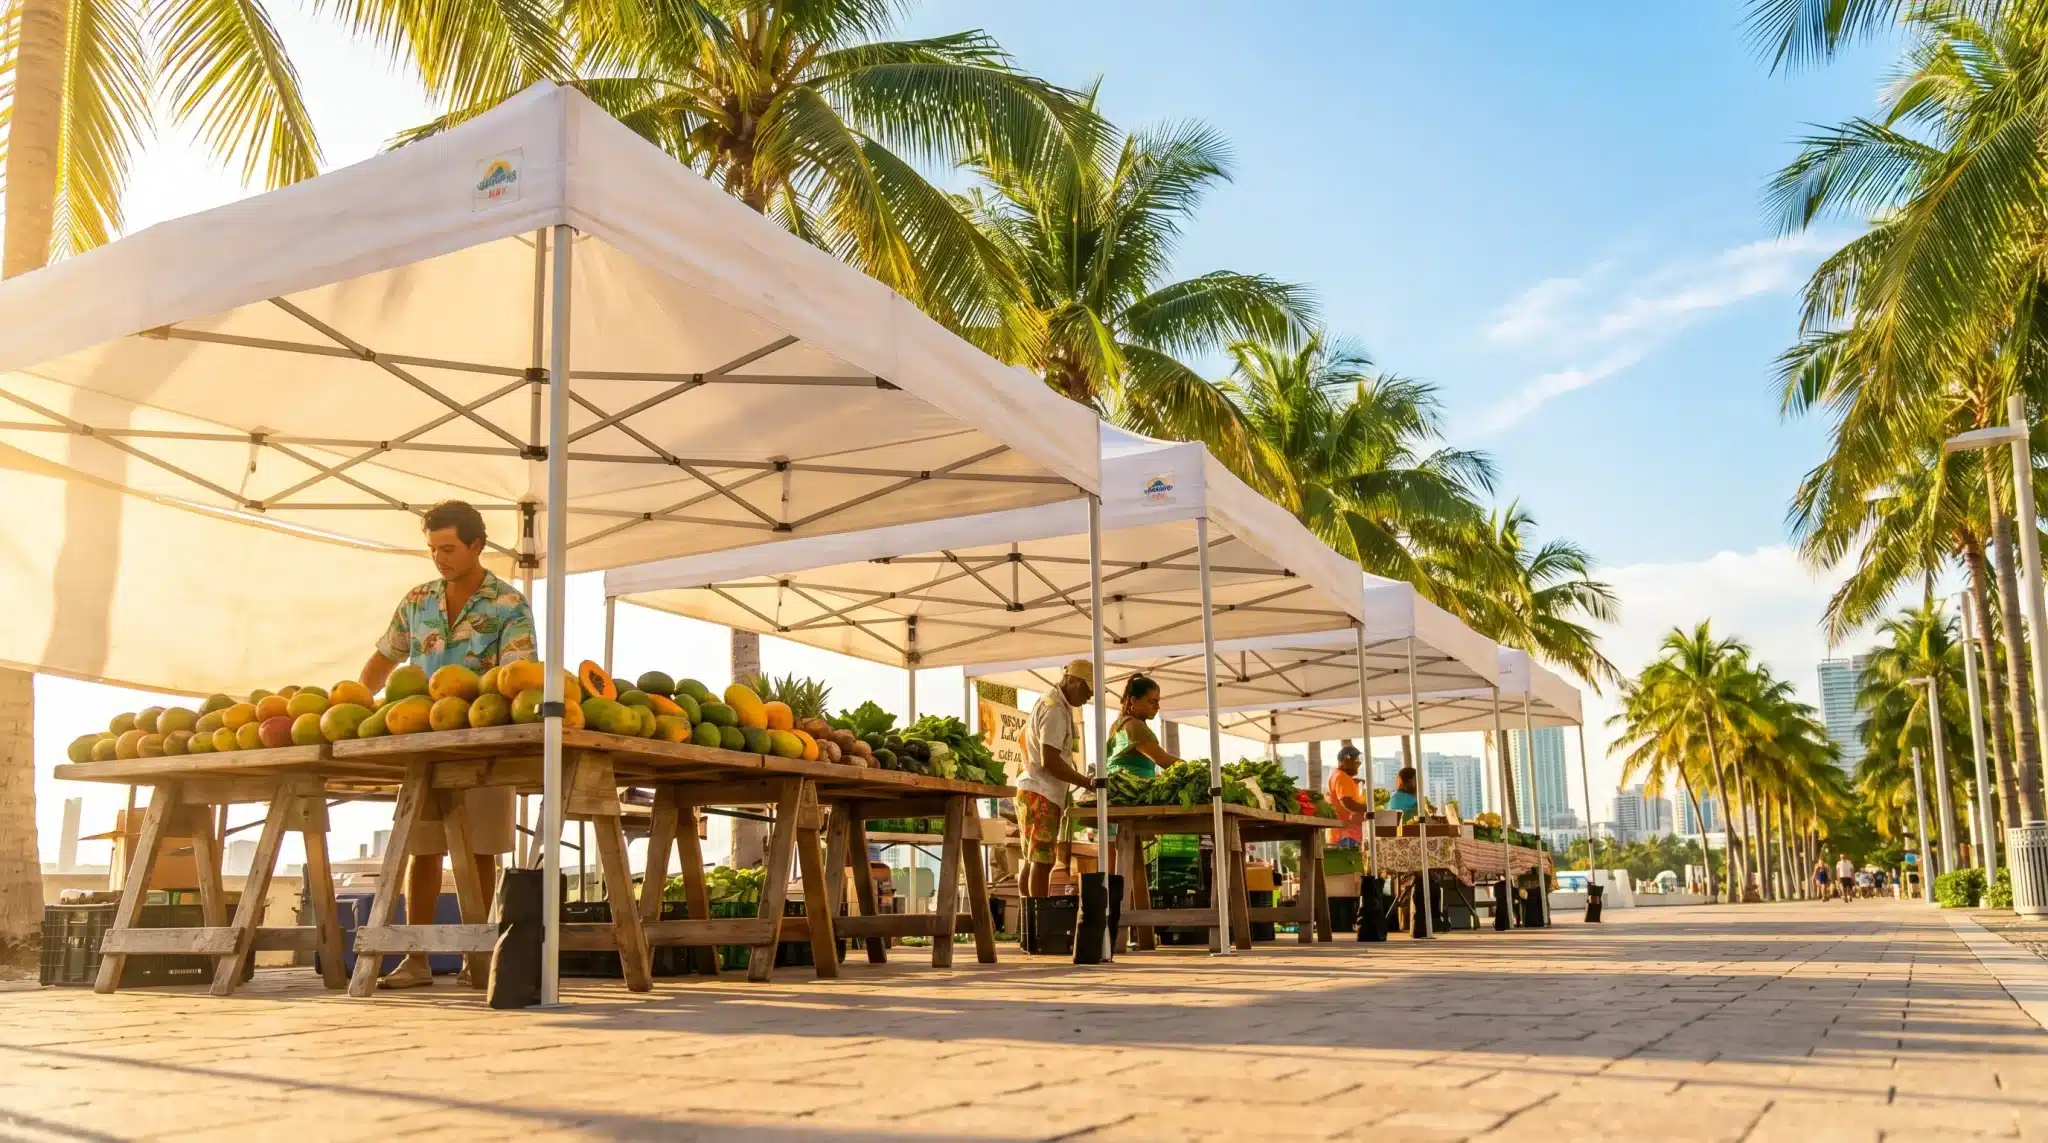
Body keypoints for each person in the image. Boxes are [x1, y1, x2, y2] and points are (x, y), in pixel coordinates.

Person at [360, 501, 536, 989]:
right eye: (433, 549)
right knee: (423, 849)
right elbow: (382, 659)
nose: (440, 557)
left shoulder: (509, 604)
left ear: (477, 545)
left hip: (484, 741)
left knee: (481, 849)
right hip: (422, 743)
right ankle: (415, 960)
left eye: (449, 548)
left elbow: (518, 676)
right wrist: (358, 701)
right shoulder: (417, 599)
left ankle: (477, 957)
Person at [1017, 660, 1097, 900]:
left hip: (1037, 790)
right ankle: (1038, 922)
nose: (1089, 696)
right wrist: (1086, 782)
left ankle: (1029, 924)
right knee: (1041, 861)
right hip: (1041, 792)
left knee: (1034, 860)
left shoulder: (1051, 702)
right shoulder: (1054, 709)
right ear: (1072, 680)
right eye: (1087, 689)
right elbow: (1050, 759)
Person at [1106, 675, 1178, 779]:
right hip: (1130, 793)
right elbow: (1162, 759)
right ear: (1134, 700)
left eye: (1158, 701)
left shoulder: (1120, 723)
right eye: (1152, 701)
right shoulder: (1133, 724)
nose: (1157, 707)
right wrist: (1195, 768)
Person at [1326, 746, 1369, 848]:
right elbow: (1348, 803)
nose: (1359, 764)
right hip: (1347, 836)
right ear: (1346, 760)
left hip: (1343, 834)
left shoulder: (1337, 775)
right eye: (1356, 760)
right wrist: (1369, 808)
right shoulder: (1341, 777)